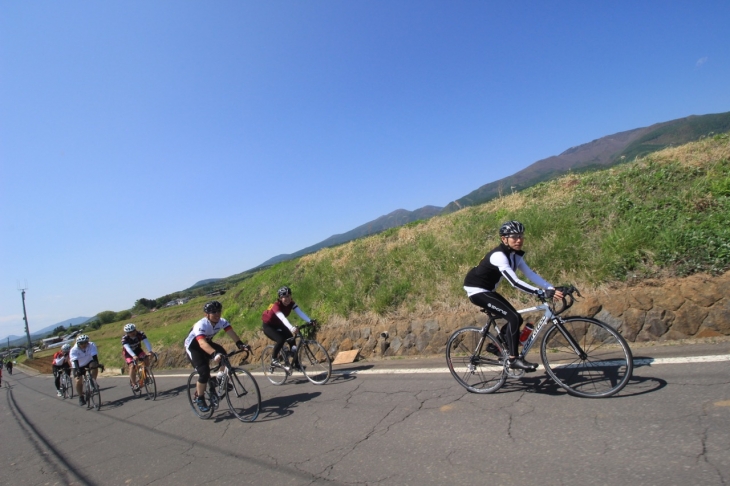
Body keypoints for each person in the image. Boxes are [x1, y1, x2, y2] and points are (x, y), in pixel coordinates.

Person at [463, 220, 564, 371]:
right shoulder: (499, 255)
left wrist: (550, 287)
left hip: (488, 290)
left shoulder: (515, 256)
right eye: (514, 237)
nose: (519, 240)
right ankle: (513, 359)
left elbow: (529, 274)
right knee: (514, 317)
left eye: (521, 236)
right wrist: (540, 292)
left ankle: (496, 347)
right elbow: (515, 282)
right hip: (476, 290)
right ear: (504, 239)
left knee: (516, 317)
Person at [184, 301, 247, 413]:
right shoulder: (201, 325)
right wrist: (214, 354)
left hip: (206, 343)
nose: (217, 314)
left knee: (223, 354)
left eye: (219, 311)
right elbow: (202, 344)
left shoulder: (221, 322)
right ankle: (200, 398)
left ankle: (218, 378)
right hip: (194, 347)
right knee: (204, 372)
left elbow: (232, 333)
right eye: (214, 312)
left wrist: (240, 344)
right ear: (206, 315)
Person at [262, 286, 315, 372]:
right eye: (284, 297)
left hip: (279, 324)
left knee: (291, 339)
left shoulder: (291, 303)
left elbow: (300, 312)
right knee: (280, 340)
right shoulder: (276, 306)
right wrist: (291, 327)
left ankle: (296, 364)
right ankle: (274, 358)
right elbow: (282, 318)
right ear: (280, 298)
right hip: (268, 326)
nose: (287, 298)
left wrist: (310, 321)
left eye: (289, 296)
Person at [122, 323, 155, 391]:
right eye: (130, 332)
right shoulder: (124, 338)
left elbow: (146, 342)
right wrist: (133, 356)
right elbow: (127, 348)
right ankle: (134, 384)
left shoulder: (140, 333)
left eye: (134, 331)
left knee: (146, 359)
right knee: (132, 366)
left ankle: (145, 374)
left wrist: (150, 351)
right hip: (129, 353)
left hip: (138, 350)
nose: (133, 333)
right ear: (127, 333)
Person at [69, 334, 100, 406]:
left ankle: (93, 381)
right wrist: (78, 370)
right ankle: (81, 397)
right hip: (78, 365)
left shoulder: (91, 345)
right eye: (82, 343)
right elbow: (75, 361)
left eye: (86, 342)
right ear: (78, 343)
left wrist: (97, 364)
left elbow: (94, 356)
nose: (84, 344)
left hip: (88, 361)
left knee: (94, 366)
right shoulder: (73, 350)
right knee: (78, 380)